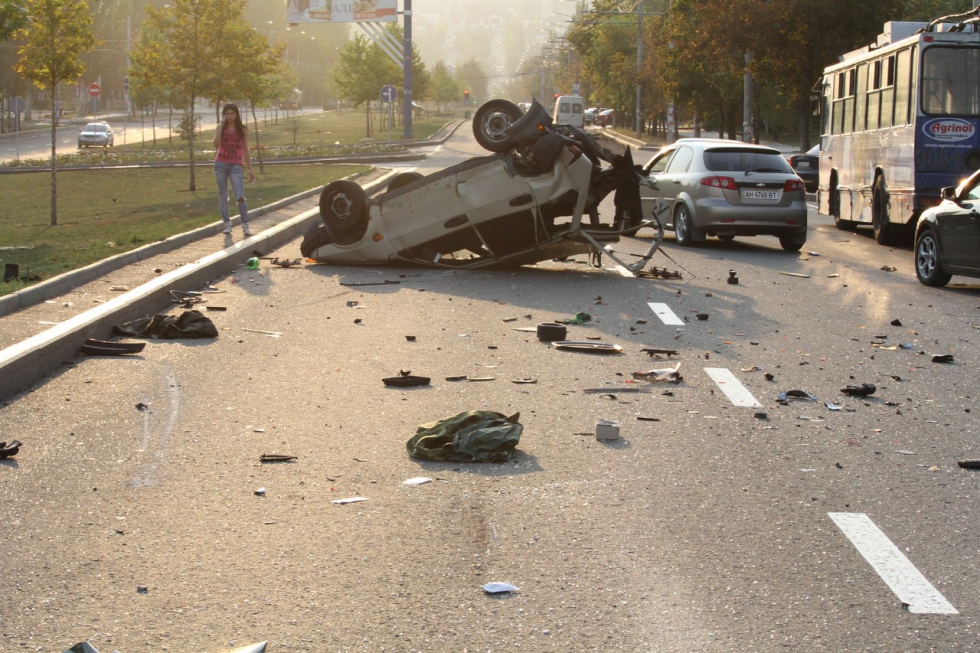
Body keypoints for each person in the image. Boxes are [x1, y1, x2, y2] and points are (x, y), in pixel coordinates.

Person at [212, 103, 255, 237]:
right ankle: (227, 224)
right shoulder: (220, 127)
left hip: (236, 166)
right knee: (223, 195)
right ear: (224, 115)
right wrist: (220, 127)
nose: (230, 116)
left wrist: (250, 169)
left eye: (232, 113)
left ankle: (245, 226)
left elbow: (245, 150)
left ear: (236, 114)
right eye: (227, 114)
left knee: (240, 196)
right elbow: (215, 144)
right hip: (221, 164)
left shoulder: (242, 130)